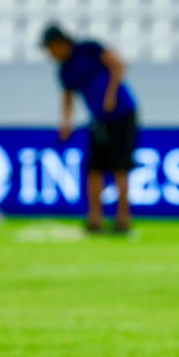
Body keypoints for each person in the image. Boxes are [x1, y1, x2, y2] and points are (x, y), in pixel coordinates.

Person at [42, 25, 139, 233]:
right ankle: (95, 218)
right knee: (94, 168)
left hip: (122, 114)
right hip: (99, 120)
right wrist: (65, 124)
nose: (49, 54)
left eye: (50, 48)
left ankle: (123, 218)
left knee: (120, 166)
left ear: (60, 43)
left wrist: (111, 96)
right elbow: (68, 98)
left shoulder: (89, 49)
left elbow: (118, 65)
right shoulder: (64, 70)